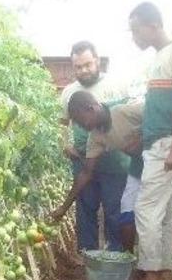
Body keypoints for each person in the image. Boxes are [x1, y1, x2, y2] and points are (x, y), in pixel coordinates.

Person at [126, 2, 172, 280]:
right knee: (164, 211)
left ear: (153, 25)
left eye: (135, 29)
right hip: (157, 143)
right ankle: (164, 276)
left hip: (165, 144)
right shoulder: (159, 58)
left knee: (146, 209)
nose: (134, 36)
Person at [49, 91, 144, 253]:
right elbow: (86, 174)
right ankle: (125, 260)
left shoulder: (123, 111)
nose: (80, 126)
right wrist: (64, 208)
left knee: (146, 215)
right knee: (127, 214)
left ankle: (143, 265)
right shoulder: (95, 137)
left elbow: (158, 116)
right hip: (138, 168)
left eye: (80, 120)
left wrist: (141, 136)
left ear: (91, 108)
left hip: (158, 161)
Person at [58, 41, 129, 254]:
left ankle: (114, 254)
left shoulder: (116, 84)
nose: (83, 70)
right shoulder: (69, 92)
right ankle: (87, 253)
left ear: (97, 61)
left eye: (87, 64)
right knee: (85, 208)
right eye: (78, 67)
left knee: (113, 209)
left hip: (115, 161)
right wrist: (65, 144)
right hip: (82, 158)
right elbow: (62, 124)